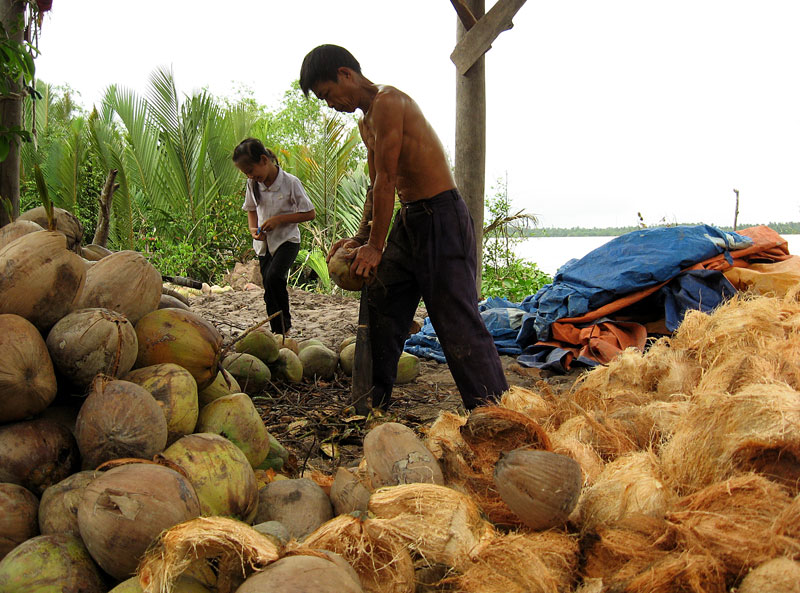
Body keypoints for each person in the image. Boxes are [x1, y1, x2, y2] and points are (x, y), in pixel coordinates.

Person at [300, 44, 508, 410]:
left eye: (328, 94)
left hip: (441, 217)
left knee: (456, 320)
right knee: (381, 300)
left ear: (345, 74)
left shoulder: (389, 103)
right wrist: (361, 238)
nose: (330, 104)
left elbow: (387, 180)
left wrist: (376, 246)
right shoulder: (366, 123)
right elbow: (373, 182)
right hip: (410, 219)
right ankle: (368, 407)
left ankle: (495, 412)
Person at [233, 138, 315, 335]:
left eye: (251, 171)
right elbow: (251, 209)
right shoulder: (252, 184)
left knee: (274, 277)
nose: (251, 176)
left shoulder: (290, 182)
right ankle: (278, 331)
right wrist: (253, 229)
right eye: (246, 174)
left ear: (264, 160)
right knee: (269, 289)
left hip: (287, 241)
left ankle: (285, 324)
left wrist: (279, 220)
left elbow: (309, 213)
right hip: (264, 245)